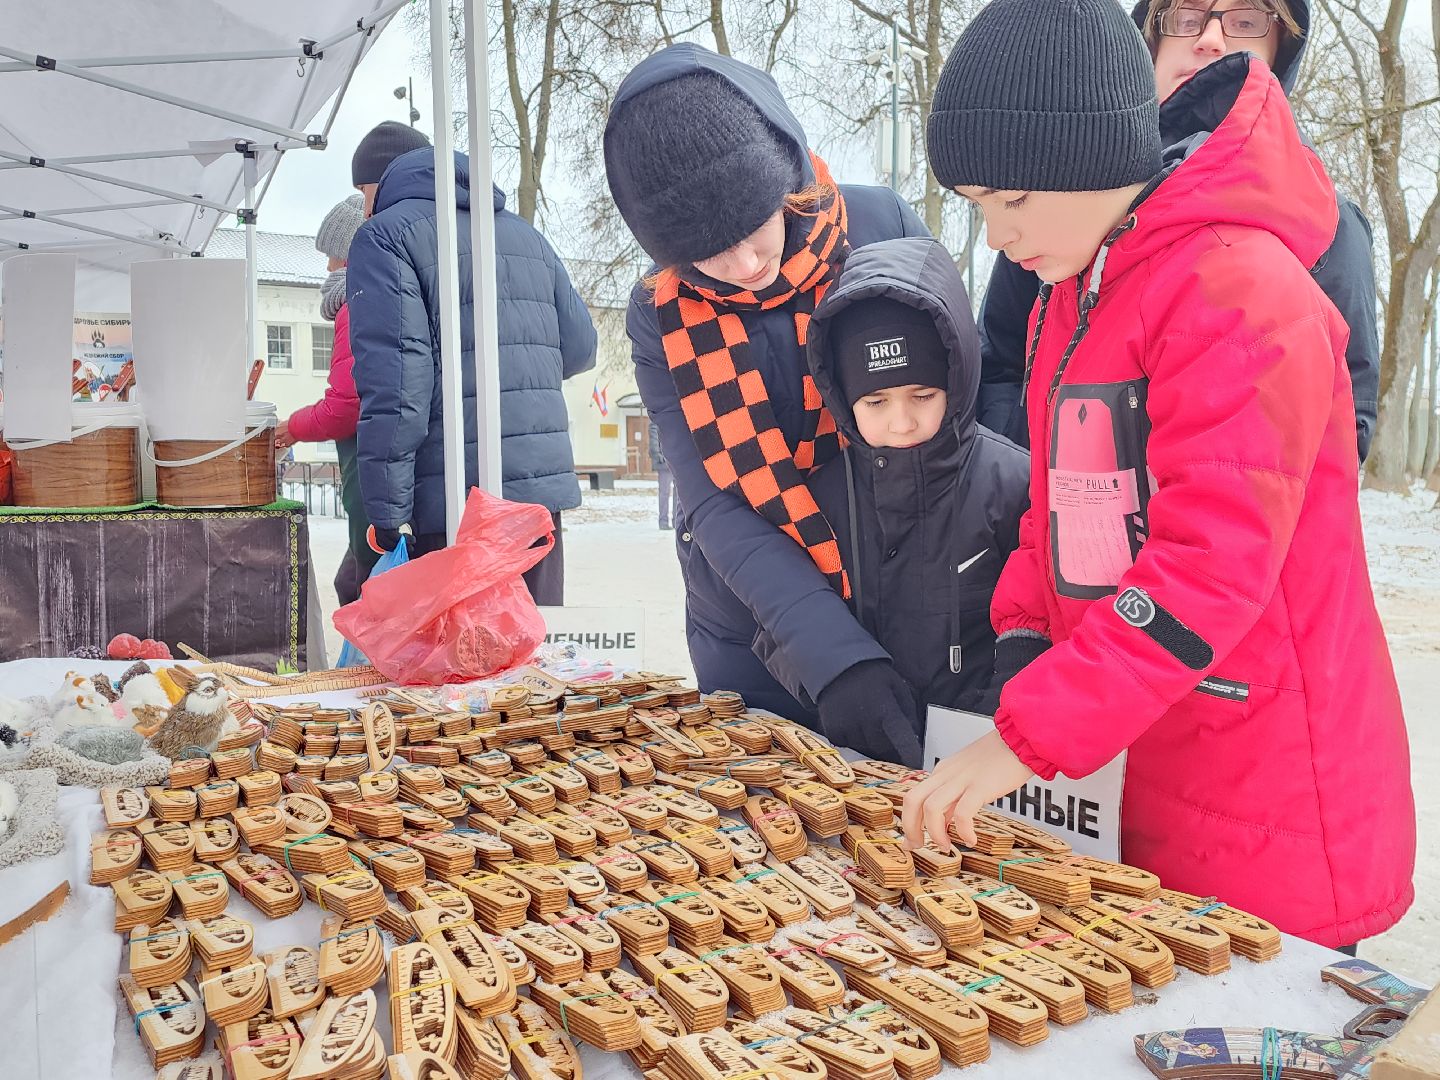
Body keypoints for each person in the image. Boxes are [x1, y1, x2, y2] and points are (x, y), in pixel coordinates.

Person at [907, 0, 1414, 949]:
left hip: (1264, 794)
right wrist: (1022, 641)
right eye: (980, 209)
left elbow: (1205, 571)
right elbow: (1059, 504)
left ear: (1087, 160)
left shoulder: (1241, 291)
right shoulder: (1079, 290)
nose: (997, 239)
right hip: (1139, 752)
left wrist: (1027, 738)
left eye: (1011, 201)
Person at [605, 44, 931, 765]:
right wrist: (833, 654)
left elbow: (956, 424)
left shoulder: (880, 227)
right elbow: (715, 502)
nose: (748, 267)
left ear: (782, 177)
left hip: (904, 593)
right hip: (748, 624)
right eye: (708, 257)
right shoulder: (658, 316)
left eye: (755, 229)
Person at [973, 0, 1380, 465]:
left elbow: (1346, 420)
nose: (1209, 39)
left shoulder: (1328, 222)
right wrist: (1031, 477)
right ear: (1150, 44)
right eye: (1186, 18)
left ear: (1279, 53)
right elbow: (1000, 363)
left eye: (1244, 22)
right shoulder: (1061, 195)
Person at [346, 122, 598, 605]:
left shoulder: (383, 237)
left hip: (454, 500)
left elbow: (399, 385)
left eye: (363, 190)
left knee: (456, 670)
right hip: (535, 500)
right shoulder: (525, 235)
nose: (363, 205)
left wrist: (386, 511)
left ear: (389, 178)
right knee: (529, 667)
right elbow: (582, 347)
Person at [792, 235, 1030, 726]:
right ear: (843, 397)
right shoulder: (821, 498)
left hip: (983, 752)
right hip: (858, 754)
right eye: (876, 403)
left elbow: (1041, 617)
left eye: (923, 395)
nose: (901, 423)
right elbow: (788, 620)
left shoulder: (1015, 484)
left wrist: (1001, 716)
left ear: (956, 377)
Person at [274, 194, 375, 605]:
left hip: (370, 467)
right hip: (379, 467)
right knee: (353, 581)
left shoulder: (356, 304)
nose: (328, 266)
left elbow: (346, 406)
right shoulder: (372, 297)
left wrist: (294, 427)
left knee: (362, 587)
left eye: (333, 255)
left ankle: (368, 671)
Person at [649, 419, 678, 530]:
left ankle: (676, 521)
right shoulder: (655, 419)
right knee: (664, 493)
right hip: (663, 462)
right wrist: (657, 455)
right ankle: (663, 521)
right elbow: (653, 438)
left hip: (676, 461)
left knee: (678, 493)